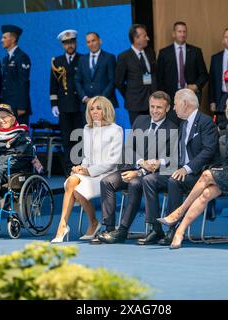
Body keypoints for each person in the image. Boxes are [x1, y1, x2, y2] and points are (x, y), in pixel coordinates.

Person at [158, 93, 228, 249]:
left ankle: (178, 212)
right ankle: (179, 232)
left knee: (206, 174)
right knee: (206, 194)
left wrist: (224, 169)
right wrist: (224, 168)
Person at [97, 91, 178, 244]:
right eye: (152, 106)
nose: (154, 111)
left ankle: (122, 231)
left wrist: (141, 171)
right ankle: (108, 228)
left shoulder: (172, 128)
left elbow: (170, 160)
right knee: (106, 181)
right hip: (133, 167)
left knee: (135, 183)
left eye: (159, 107)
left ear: (167, 108)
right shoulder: (140, 120)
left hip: (151, 175)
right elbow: (127, 148)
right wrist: (140, 162)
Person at [141, 88, 219, 246]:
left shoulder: (205, 122)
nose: (174, 108)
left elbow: (209, 151)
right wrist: (160, 162)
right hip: (180, 169)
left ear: (184, 104)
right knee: (149, 180)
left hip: (199, 173)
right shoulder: (183, 124)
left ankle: (172, 228)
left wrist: (187, 168)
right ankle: (155, 228)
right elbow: (178, 154)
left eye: (175, 104)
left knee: (174, 181)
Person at [51, 96, 123, 243]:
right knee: (71, 180)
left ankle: (93, 222)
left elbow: (113, 161)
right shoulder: (87, 129)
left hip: (107, 175)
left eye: (98, 108)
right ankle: (63, 225)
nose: (94, 111)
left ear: (106, 109)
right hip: (90, 173)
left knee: (77, 189)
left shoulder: (116, 130)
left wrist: (88, 172)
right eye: (91, 109)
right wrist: (81, 168)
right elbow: (87, 157)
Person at [157, 21, 208, 125]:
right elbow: (159, 77)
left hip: (191, 95)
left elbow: (204, 74)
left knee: (191, 125)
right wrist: (163, 97)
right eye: (179, 31)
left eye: (184, 31)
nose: (182, 34)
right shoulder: (164, 53)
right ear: (173, 34)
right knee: (173, 127)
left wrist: (196, 86)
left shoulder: (195, 51)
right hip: (171, 97)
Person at [50, 29, 84, 175]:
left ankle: (80, 167)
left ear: (75, 43)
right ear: (62, 45)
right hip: (64, 105)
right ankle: (69, 169)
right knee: (66, 138)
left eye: (71, 42)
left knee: (80, 137)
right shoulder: (57, 61)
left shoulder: (83, 59)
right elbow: (53, 84)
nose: (69, 45)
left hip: (79, 105)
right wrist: (54, 104)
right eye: (66, 43)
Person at [115, 24, 157, 125]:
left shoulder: (151, 52)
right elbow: (118, 82)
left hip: (153, 102)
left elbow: (154, 74)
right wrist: (130, 95)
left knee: (153, 134)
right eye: (144, 36)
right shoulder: (124, 57)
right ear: (136, 38)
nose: (148, 38)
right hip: (135, 104)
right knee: (139, 136)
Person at [75, 32, 118, 110]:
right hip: (87, 105)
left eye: (93, 40)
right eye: (88, 42)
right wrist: (84, 98)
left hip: (105, 104)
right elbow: (77, 80)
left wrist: (101, 99)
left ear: (100, 41)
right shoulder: (82, 59)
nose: (91, 44)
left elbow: (113, 81)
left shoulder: (109, 57)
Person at [1, 25, 31, 125]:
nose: (2, 40)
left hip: (18, 106)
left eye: (4, 37)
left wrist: (22, 106)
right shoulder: (6, 59)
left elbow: (23, 82)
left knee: (19, 135)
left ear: (13, 39)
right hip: (7, 105)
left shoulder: (21, 57)